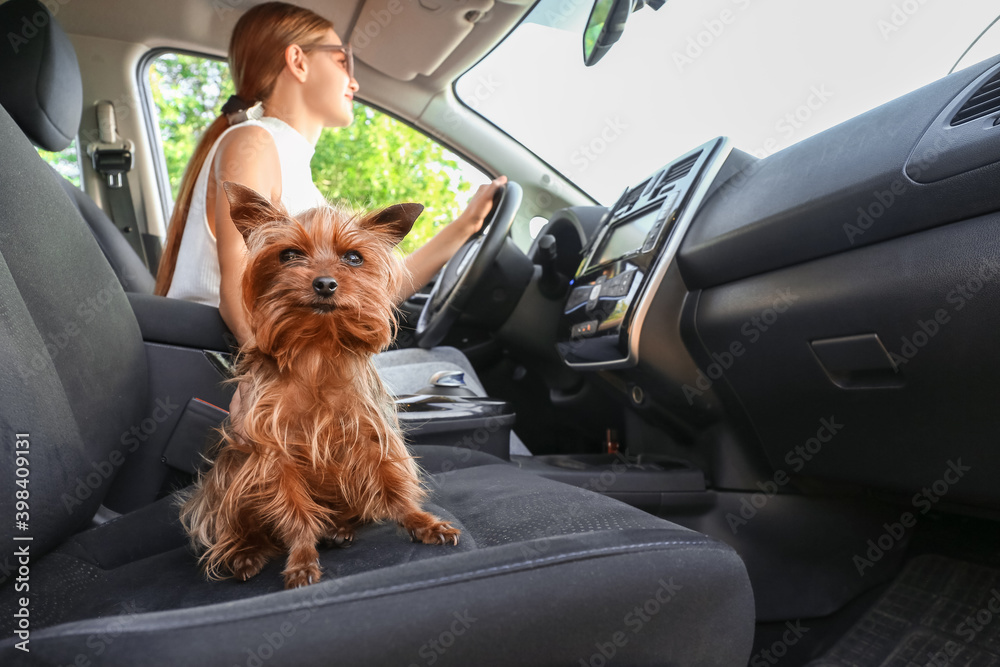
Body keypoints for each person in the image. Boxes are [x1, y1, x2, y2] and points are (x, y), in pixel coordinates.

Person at [154, 1, 506, 398]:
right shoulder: (252, 140)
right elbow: (237, 283)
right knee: (454, 373)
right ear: (298, 61)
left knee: (450, 364)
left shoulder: (295, 171)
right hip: (239, 364)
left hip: (304, 355)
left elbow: (372, 286)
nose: (354, 83)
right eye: (343, 62)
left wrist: (465, 227)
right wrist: (270, 378)